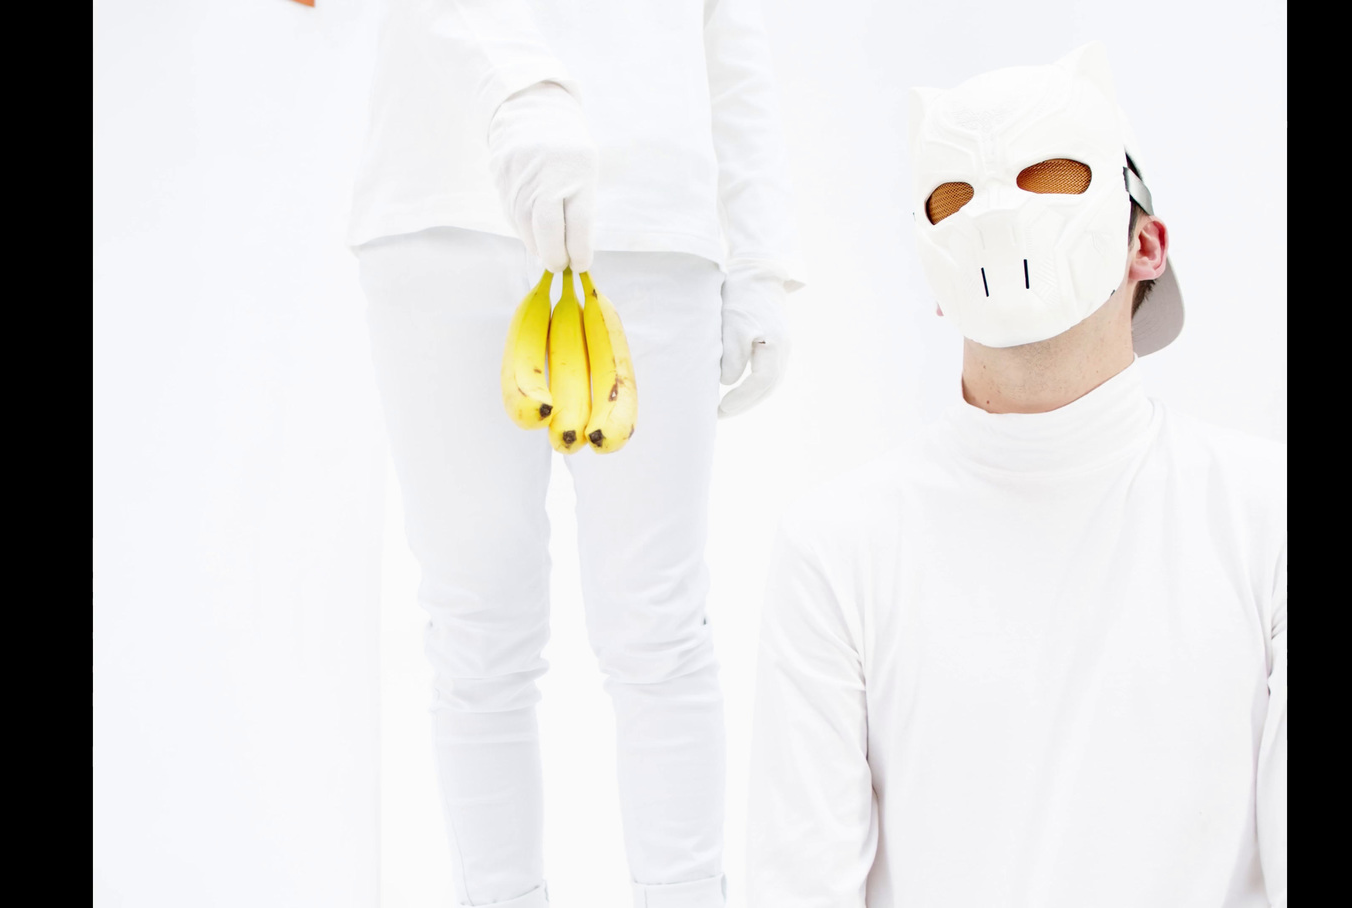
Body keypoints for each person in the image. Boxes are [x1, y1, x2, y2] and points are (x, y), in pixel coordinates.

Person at [747, 44, 1286, 907]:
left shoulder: (1266, 518)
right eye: (956, 201)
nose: (999, 218)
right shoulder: (837, 550)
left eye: (1049, 179)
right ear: (936, 277)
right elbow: (799, 884)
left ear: (1144, 243)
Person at [349, 2, 802, 906]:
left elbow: (730, 28)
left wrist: (760, 256)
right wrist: (522, 89)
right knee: (477, 624)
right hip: (443, 197)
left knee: (658, 622)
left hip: (652, 214)